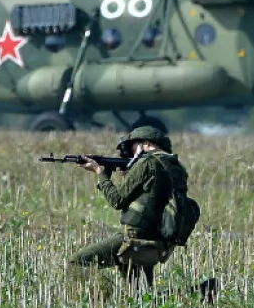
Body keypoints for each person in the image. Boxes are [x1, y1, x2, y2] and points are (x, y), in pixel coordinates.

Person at [67, 125, 188, 292]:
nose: (131, 152)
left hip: (133, 237)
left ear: (145, 143)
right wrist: (128, 175)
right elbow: (152, 194)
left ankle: (100, 300)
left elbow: (117, 200)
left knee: (78, 262)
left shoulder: (147, 163)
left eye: (133, 147)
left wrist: (99, 172)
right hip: (155, 239)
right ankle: (200, 291)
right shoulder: (176, 167)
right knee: (141, 296)